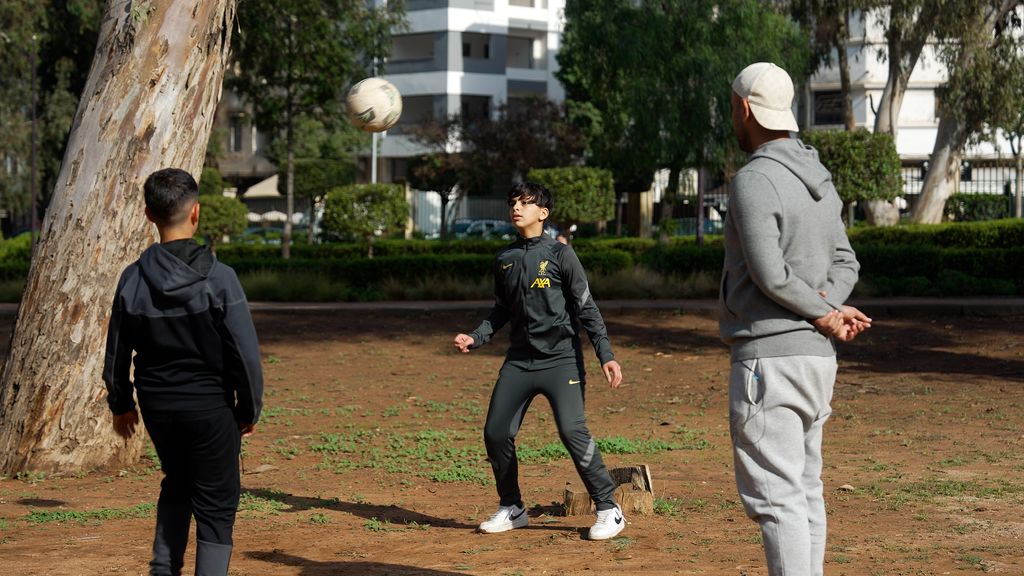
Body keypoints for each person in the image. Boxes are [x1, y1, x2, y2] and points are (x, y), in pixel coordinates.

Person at [720, 62, 871, 576]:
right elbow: (846, 261)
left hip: (770, 361)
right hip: (815, 361)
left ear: (744, 108)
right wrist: (828, 309)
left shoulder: (754, 180)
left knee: (778, 500)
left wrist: (825, 312)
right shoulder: (821, 180)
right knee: (805, 490)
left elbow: (769, 274)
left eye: (732, 109)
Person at [103, 168, 264, 576]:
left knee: (177, 480)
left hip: (158, 408)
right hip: (210, 410)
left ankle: (163, 570)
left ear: (147, 214)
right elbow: (244, 355)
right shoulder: (220, 279)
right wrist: (248, 410)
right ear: (196, 213)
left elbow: (117, 351)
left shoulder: (132, 278)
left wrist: (121, 403)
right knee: (216, 504)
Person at [453, 182, 627, 540]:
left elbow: (586, 308)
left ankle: (609, 508)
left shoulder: (561, 255)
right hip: (518, 362)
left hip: (561, 361)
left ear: (543, 214)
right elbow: (500, 311)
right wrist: (477, 335)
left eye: (525, 203)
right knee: (495, 433)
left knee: (571, 431)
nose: (516, 207)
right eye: (513, 201)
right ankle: (512, 507)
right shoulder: (504, 259)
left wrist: (605, 355)